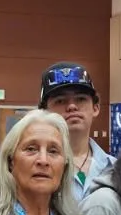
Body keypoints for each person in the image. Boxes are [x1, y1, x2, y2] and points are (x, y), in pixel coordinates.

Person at [38, 61, 111, 202]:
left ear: (95, 108)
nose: (72, 106)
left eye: (80, 99)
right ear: (44, 111)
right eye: (60, 101)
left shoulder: (117, 170)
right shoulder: (36, 169)